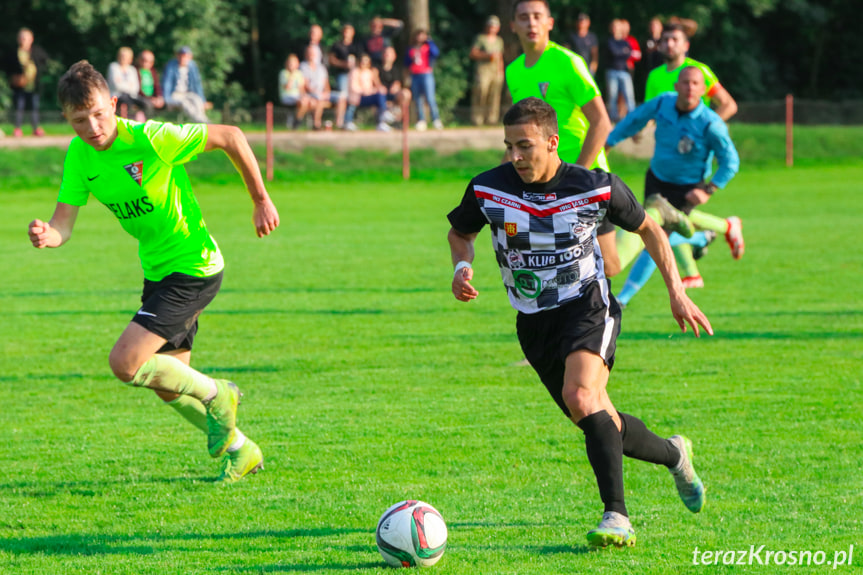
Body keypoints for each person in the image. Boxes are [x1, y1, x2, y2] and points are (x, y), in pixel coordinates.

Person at [447, 97, 712, 548]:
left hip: (588, 305)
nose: (515, 156)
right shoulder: (489, 188)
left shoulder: (596, 187)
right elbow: (461, 233)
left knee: (582, 394)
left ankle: (617, 517)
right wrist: (460, 268)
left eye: (525, 146)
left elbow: (648, 228)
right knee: (594, 416)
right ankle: (673, 453)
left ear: (553, 143)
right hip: (533, 322)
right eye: (509, 145)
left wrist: (677, 291)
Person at [28, 60, 279, 483]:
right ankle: (241, 450)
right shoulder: (79, 155)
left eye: (98, 114)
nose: (92, 127)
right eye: (79, 120)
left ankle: (220, 394)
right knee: (167, 384)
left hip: (193, 266)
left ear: (113, 103)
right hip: (158, 272)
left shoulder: (150, 138)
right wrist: (49, 234)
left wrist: (259, 199)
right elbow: (64, 223)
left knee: (125, 363)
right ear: (67, 120)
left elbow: (231, 136)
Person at [506, 0, 624, 277]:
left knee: (609, 266)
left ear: (550, 23)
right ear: (513, 26)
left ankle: (645, 230)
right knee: (554, 262)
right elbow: (519, 135)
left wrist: (578, 173)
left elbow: (602, 122)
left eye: (537, 16)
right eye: (524, 17)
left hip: (584, 173)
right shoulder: (514, 71)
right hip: (542, 178)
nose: (531, 23)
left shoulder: (568, 62)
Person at [607, 66, 743, 301]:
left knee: (655, 237)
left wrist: (708, 190)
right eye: (685, 82)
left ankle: (623, 298)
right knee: (656, 232)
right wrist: (609, 142)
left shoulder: (711, 124)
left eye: (695, 84)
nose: (689, 87)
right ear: (676, 85)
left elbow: (731, 161)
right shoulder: (662, 104)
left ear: (703, 90)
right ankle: (710, 234)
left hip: (687, 189)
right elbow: (635, 119)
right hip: (657, 180)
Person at [645, 22, 737, 121]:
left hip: (694, 135)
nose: (670, 44)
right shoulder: (654, 75)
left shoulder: (699, 70)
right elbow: (649, 114)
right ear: (660, 46)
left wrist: (706, 128)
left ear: (686, 46)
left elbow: (728, 105)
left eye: (675, 40)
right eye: (666, 40)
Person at [5, 27, 48, 137]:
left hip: (34, 86)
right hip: (19, 86)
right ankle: (18, 128)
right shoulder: (13, 53)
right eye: (21, 38)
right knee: (19, 107)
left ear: (31, 39)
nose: (23, 40)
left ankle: (36, 128)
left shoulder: (37, 51)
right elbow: (7, 67)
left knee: (34, 107)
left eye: (25, 38)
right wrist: (14, 77)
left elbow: (44, 63)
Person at [469, 15, 505, 126]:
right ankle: (477, 118)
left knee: (494, 95)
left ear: (497, 28)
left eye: (494, 26)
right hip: (483, 70)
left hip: (496, 70)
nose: (492, 28)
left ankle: (492, 119)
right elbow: (473, 53)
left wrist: (501, 70)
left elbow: (500, 57)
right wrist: (487, 56)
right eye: (490, 25)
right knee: (481, 91)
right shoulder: (481, 38)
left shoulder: (499, 41)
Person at [406, 29, 443, 131]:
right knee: (417, 99)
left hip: (426, 74)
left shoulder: (428, 47)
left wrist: (430, 41)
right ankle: (421, 120)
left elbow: (436, 53)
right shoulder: (411, 49)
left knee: (430, 98)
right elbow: (406, 62)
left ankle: (436, 119)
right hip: (415, 74)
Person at [162, 46, 209, 123]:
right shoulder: (171, 66)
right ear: (178, 56)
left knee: (197, 100)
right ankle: (200, 122)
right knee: (186, 104)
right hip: (175, 94)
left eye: (186, 56)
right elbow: (167, 83)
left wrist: (203, 100)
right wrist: (166, 99)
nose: (183, 58)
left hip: (187, 93)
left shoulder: (192, 66)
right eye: (181, 56)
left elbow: (197, 84)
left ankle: (204, 121)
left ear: (190, 57)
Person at [344, 53, 390, 132]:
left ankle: (381, 121)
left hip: (368, 96)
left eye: (366, 62)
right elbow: (354, 87)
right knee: (353, 99)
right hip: (358, 96)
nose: (364, 64)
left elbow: (375, 85)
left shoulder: (369, 72)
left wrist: (377, 87)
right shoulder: (355, 72)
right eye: (363, 62)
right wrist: (365, 91)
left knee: (380, 94)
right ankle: (348, 122)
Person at [301, 44, 343, 130]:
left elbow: (326, 83)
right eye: (310, 53)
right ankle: (317, 125)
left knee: (342, 97)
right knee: (319, 99)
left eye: (313, 53)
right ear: (306, 54)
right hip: (311, 94)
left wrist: (327, 92)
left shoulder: (321, 68)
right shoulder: (303, 67)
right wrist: (317, 93)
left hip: (322, 93)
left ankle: (339, 124)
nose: (311, 55)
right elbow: (305, 84)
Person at [107, 46, 152, 121]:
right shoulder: (113, 67)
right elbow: (116, 85)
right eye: (122, 56)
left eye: (126, 57)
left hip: (131, 96)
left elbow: (136, 87)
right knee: (126, 102)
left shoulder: (132, 69)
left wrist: (123, 84)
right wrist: (129, 85)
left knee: (146, 104)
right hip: (117, 96)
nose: (124, 58)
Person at [604, 19, 636, 123]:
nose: (615, 29)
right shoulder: (609, 41)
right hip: (612, 71)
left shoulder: (625, 42)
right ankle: (613, 117)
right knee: (612, 96)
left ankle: (633, 116)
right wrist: (623, 52)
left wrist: (621, 53)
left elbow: (628, 53)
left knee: (629, 95)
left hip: (624, 72)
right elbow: (615, 53)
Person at [329, 24, 361, 111]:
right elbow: (331, 60)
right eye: (345, 32)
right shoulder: (337, 45)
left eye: (349, 32)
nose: (346, 34)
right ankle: (341, 118)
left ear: (352, 33)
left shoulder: (356, 46)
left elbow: (361, 60)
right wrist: (343, 64)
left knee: (353, 95)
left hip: (354, 75)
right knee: (343, 95)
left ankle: (348, 119)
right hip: (342, 74)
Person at [377, 45, 411, 123]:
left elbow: (397, 83)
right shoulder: (377, 68)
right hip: (380, 95)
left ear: (394, 56)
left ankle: (402, 121)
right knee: (380, 94)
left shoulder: (396, 70)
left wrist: (396, 87)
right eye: (386, 53)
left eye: (389, 53)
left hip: (393, 94)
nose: (387, 55)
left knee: (406, 93)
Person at [279, 53, 309, 129]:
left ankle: (298, 120)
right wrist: (292, 75)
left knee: (309, 102)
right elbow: (287, 87)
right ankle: (296, 122)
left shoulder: (299, 74)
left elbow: (301, 89)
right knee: (302, 102)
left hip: (297, 97)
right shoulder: (283, 73)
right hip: (287, 96)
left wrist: (305, 96)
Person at [568, 12, 598, 77]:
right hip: (574, 69)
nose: (581, 23)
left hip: (588, 70)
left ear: (588, 23)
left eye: (583, 21)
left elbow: (594, 56)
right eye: (580, 21)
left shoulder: (592, 37)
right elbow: (566, 53)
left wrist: (592, 71)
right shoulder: (571, 37)